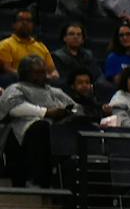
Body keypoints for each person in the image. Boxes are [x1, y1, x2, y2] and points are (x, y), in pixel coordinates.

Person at [2, 54, 76, 185]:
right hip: (23, 130)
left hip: (56, 130)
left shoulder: (54, 91)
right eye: (37, 72)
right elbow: (15, 107)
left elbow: (74, 107)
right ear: (25, 73)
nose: (42, 75)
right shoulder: (16, 88)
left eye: (44, 72)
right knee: (40, 127)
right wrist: (47, 112)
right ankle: (36, 180)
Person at [0, 8, 52, 76]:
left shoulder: (41, 46)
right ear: (14, 25)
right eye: (21, 20)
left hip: (41, 82)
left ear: (33, 25)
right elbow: (7, 69)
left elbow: (52, 70)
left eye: (28, 20)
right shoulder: (5, 44)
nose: (25, 23)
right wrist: (29, 77)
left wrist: (54, 74)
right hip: (18, 82)